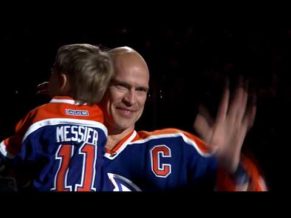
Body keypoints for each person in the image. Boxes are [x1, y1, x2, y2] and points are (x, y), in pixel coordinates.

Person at [32, 46, 267, 191]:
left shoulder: (175, 148)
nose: (131, 99)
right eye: (121, 86)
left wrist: (232, 167)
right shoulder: (56, 138)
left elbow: (249, 186)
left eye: (141, 90)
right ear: (99, 85)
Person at [0, 43, 114, 191]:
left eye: (52, 72)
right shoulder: (99, 118)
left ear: (62, 80)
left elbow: (8, 151)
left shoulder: (41, 115)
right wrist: (61, 90)